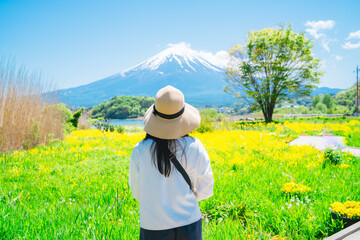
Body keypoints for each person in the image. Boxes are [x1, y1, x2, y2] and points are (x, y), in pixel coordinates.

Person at [129, 85, 214, 240]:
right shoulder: (195, 146)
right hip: (189, 223)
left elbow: (136, 191)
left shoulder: (140, 150)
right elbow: (206, 189)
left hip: (152, 226)